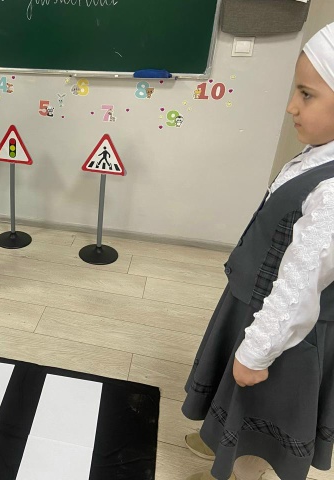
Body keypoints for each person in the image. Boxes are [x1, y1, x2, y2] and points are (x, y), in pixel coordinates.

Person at [182, 23, 334, 480]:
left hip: (284, 329)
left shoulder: (332, 191)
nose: (291, 106)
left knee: (259, 405)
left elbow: (301, 282)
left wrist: (258, 351)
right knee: (234, 392)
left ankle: (242, 469)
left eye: (306, 95)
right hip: (255, 302)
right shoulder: (318, 154)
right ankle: (218, 433)